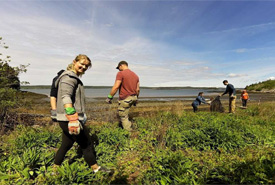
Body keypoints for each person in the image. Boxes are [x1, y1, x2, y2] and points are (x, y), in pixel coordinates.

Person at [53, 54, 111, 174]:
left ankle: (55, 170)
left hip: (64, 119)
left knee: (66, 144)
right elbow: (66, 97)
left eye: (86, 66)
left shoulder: (70, 77)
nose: (84, 67)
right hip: (69, 119)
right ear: (74, 62)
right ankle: (96, 169)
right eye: (82, 64)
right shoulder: (69, 77)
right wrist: (73, 118)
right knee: (86, 143)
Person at [106, 61, 139, 131]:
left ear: (121, 65)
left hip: (125, 98)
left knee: (123, 116)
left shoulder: (120, 73)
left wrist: (110, 97)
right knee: (126, 114)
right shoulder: (135, 75)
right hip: (133, 97)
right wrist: (136, 100)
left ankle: (129, 133)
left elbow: (116, 86)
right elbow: (137, 89)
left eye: (119, 68)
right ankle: (130, 126)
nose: (119, 69)